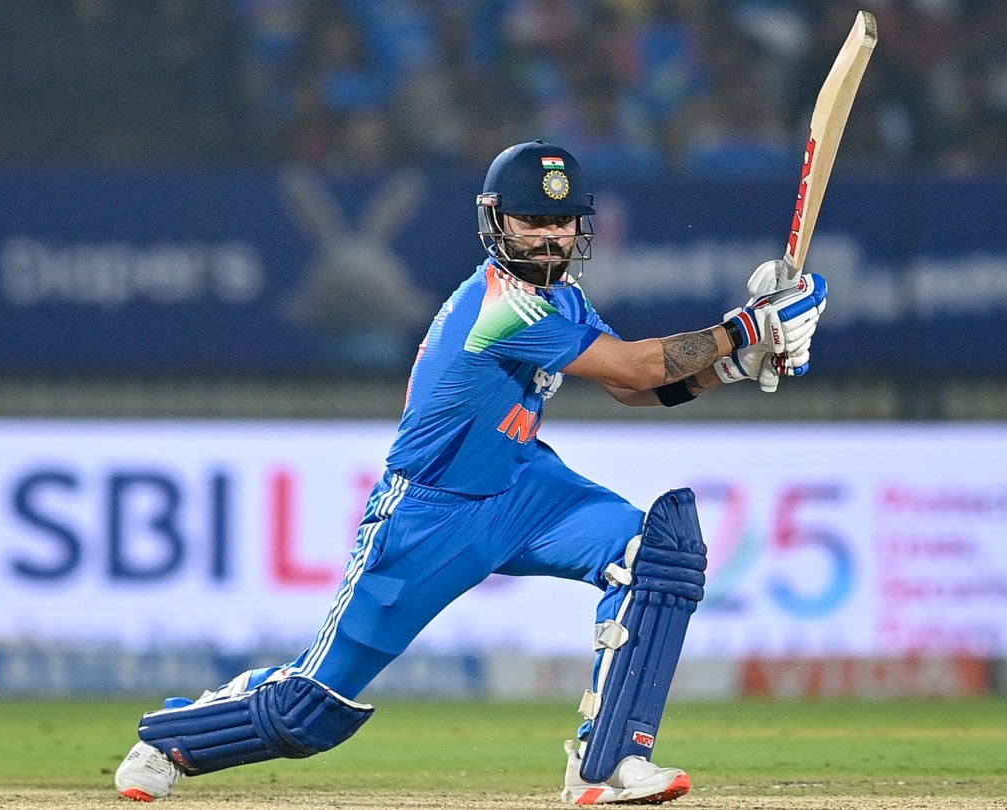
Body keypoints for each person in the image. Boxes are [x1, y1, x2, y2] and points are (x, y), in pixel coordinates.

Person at [113, 140, 827, 805]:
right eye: (532, 221)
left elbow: (630, 388)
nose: (549, 238)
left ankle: (608, 763)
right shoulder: (501, 306)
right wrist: (749, 328)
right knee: (310, 714)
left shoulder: (564, 298)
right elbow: (640, 366)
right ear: (496, 222)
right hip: (431, 511)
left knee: (659, 554)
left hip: (523, 488)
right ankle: (175, 739)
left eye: (562, 222)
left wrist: (734, 366)